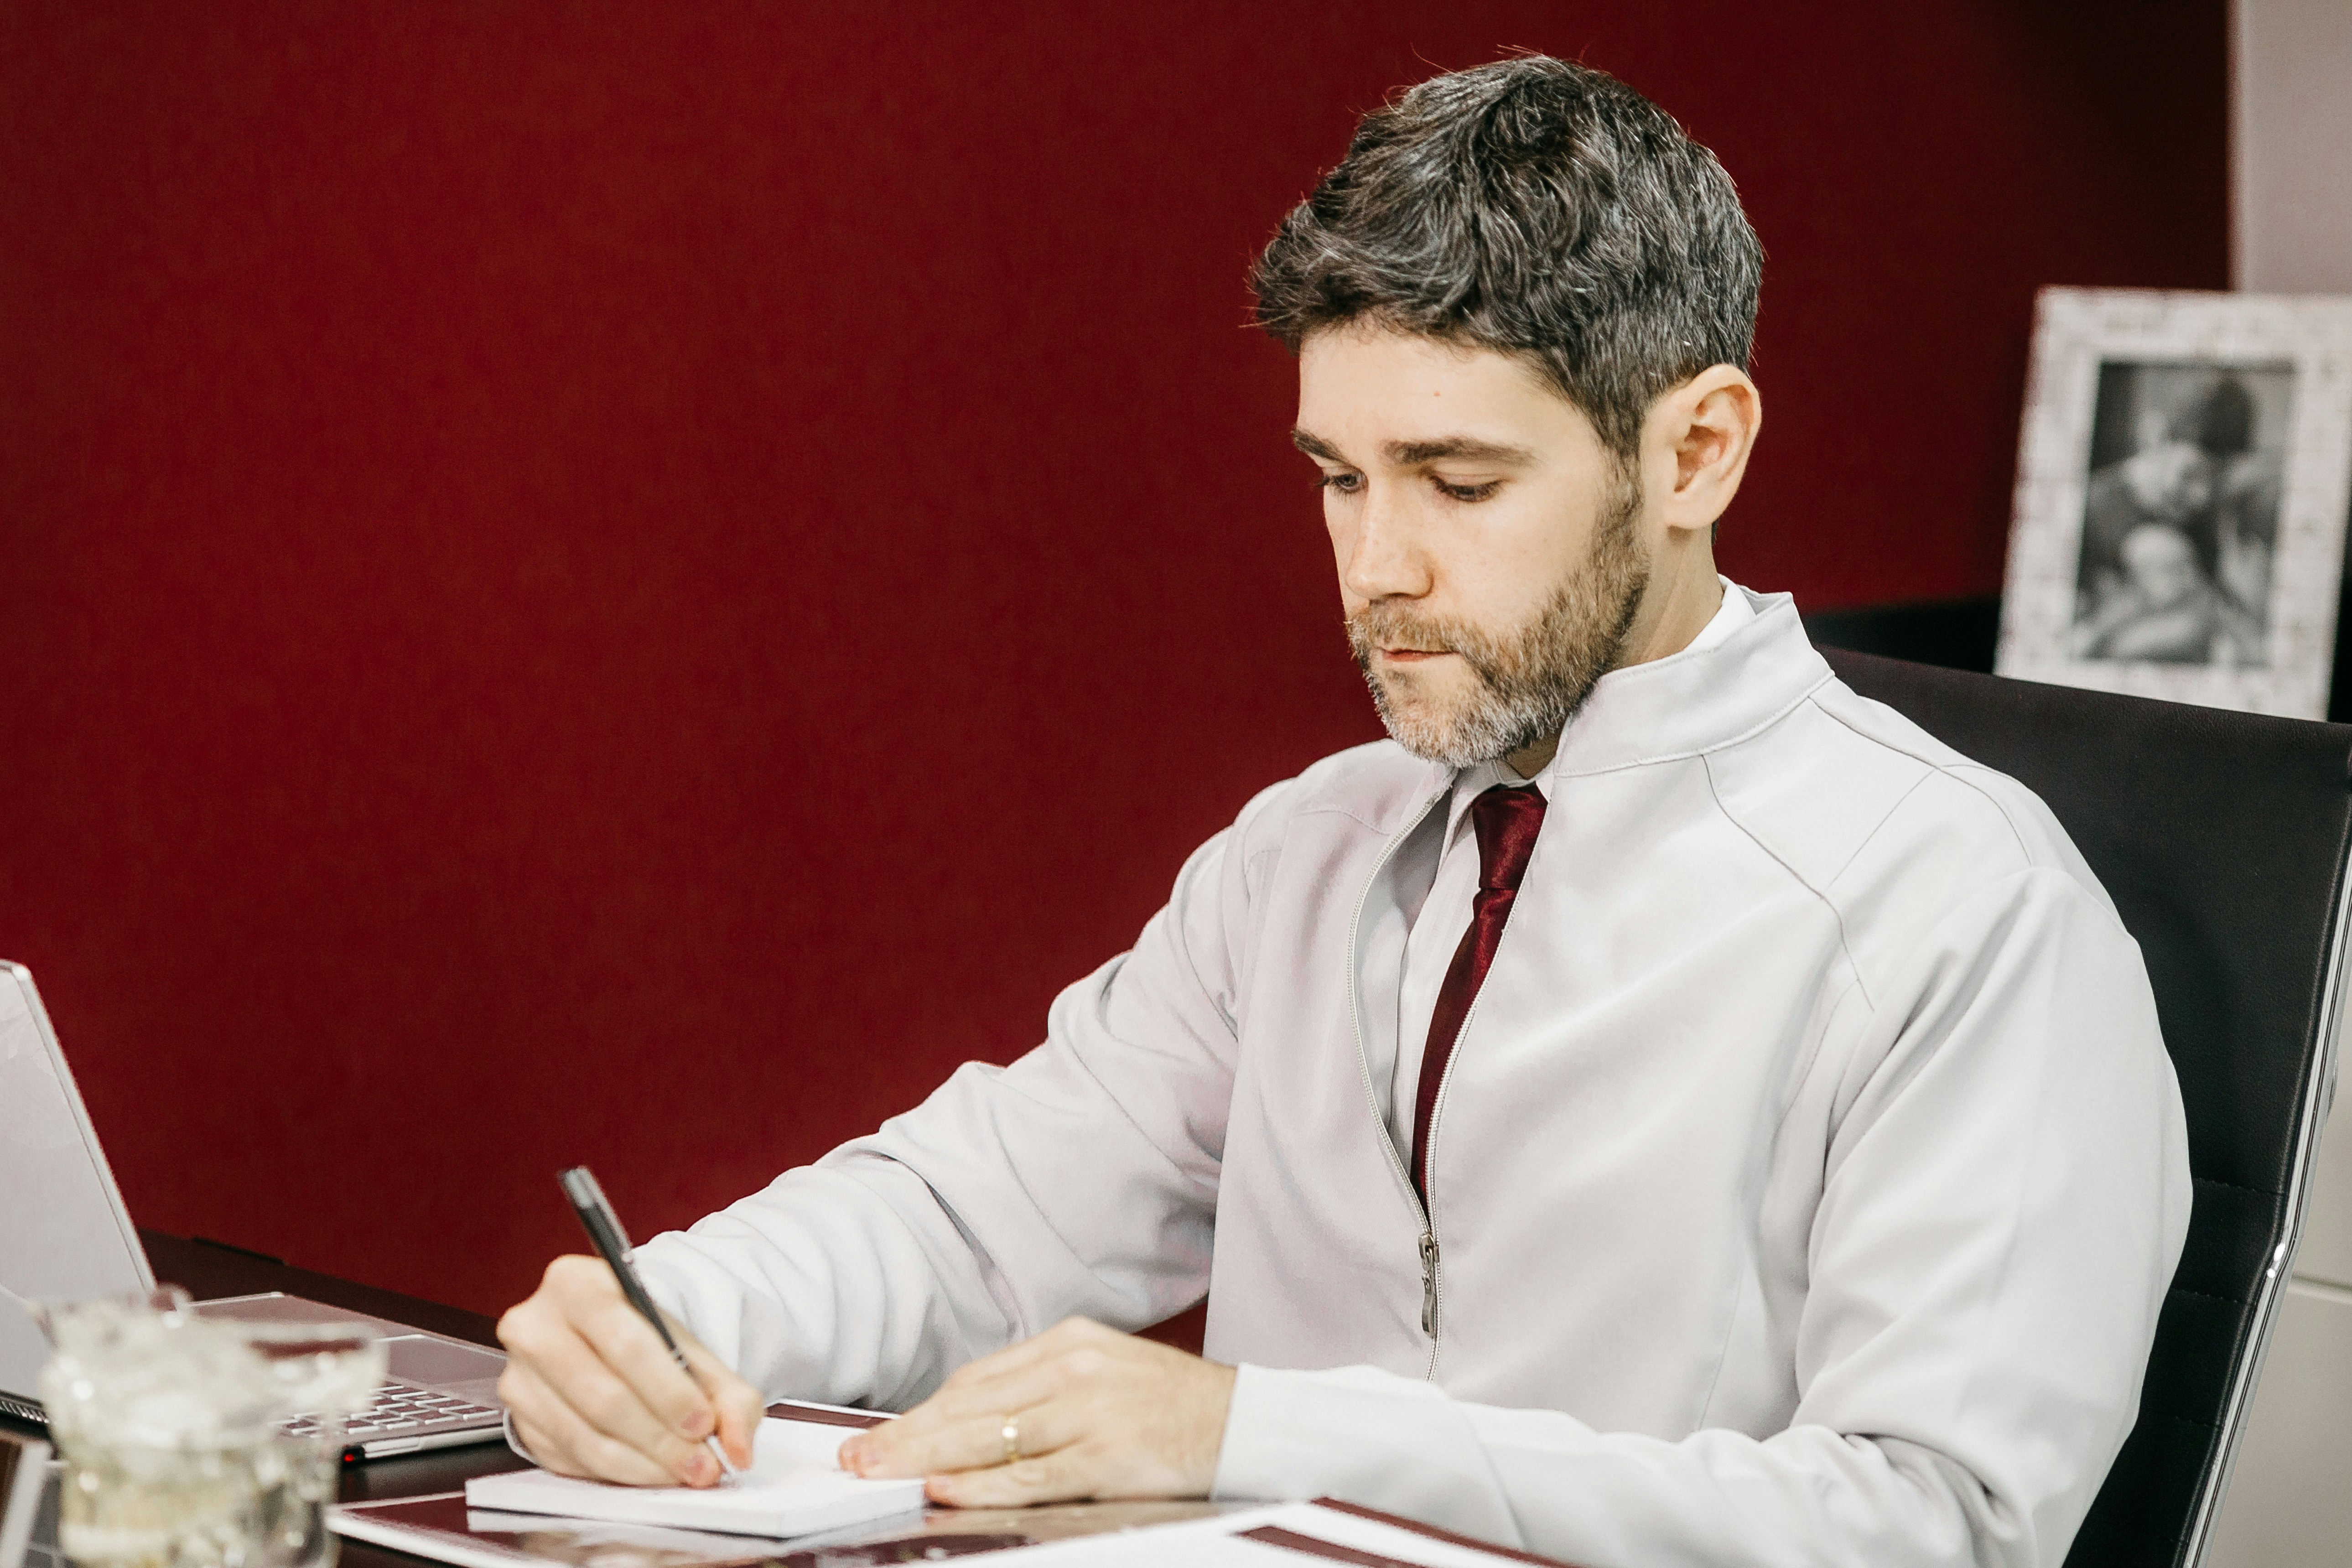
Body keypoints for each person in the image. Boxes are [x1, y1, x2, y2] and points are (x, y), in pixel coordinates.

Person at [495, 56, 2189, 1568]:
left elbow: (1935, 1525)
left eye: (1459, 484)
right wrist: (668, 1318)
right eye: (1338, 480)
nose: (1377, 570)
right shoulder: (1307, 855)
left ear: (1697, 455)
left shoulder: (1961, 913)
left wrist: (1254, 1435)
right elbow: (978, 1213)